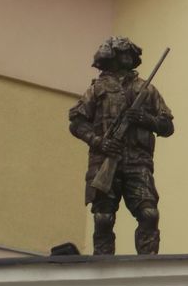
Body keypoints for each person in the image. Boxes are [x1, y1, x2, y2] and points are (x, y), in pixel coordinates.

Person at [69, 37, 174, 255]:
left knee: (149, 214)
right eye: (122, 53)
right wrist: (99, 142)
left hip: (138, 162)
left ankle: (148, 266)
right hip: (104, 160)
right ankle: (102, 269)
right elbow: (77, 122)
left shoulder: (146, 89)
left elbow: (167, 125)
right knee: (103, 218)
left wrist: (144, 118)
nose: (128, 57)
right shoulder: (97, 89)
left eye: (130, 53)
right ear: (111, 57)